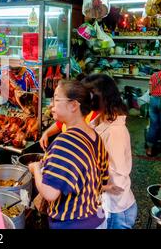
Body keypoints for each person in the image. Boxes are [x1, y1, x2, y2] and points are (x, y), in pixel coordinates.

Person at [28, 80, 109, 229]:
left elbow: (50, 193)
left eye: (56, 99)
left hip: (73, 223)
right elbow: (104, 180)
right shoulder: (95, 136)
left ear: (73, 105)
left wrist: (36, 169)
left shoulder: (66, 142)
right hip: (96, 219)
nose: (51, 106)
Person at [82, 74, 137, 229]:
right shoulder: (102, 119)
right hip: (107, 204)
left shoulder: (115, 132)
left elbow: (117, 175)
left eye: (88, 95)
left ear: (100, 96)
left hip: (117, 210)